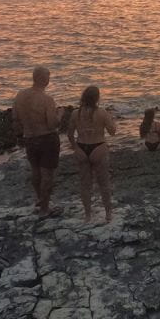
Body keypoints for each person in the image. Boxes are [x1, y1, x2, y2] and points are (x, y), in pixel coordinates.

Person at [12, 66, 62, 218]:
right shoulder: (47, 99)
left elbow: (15, 118)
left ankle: (40, 200)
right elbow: (52, 124)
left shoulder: (20, 96)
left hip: (30, 138)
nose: (49, 79)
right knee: (47, 174)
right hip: (47, 138)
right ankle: (45, 209)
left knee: (35, 170)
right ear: (43, 79)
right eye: (48, 76)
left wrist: (20, 136)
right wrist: (60, 115)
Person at [67, 86, 116, 223]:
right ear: (97, 98)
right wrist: (112, 120)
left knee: (85, 184)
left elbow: (70, 133)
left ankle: (88, 215)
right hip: (98, 147)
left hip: (82, 147)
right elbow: (112, 131)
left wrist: (75, 148)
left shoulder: (75, 113)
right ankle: (108, 214)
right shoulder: (102, 113)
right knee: (104, 183)